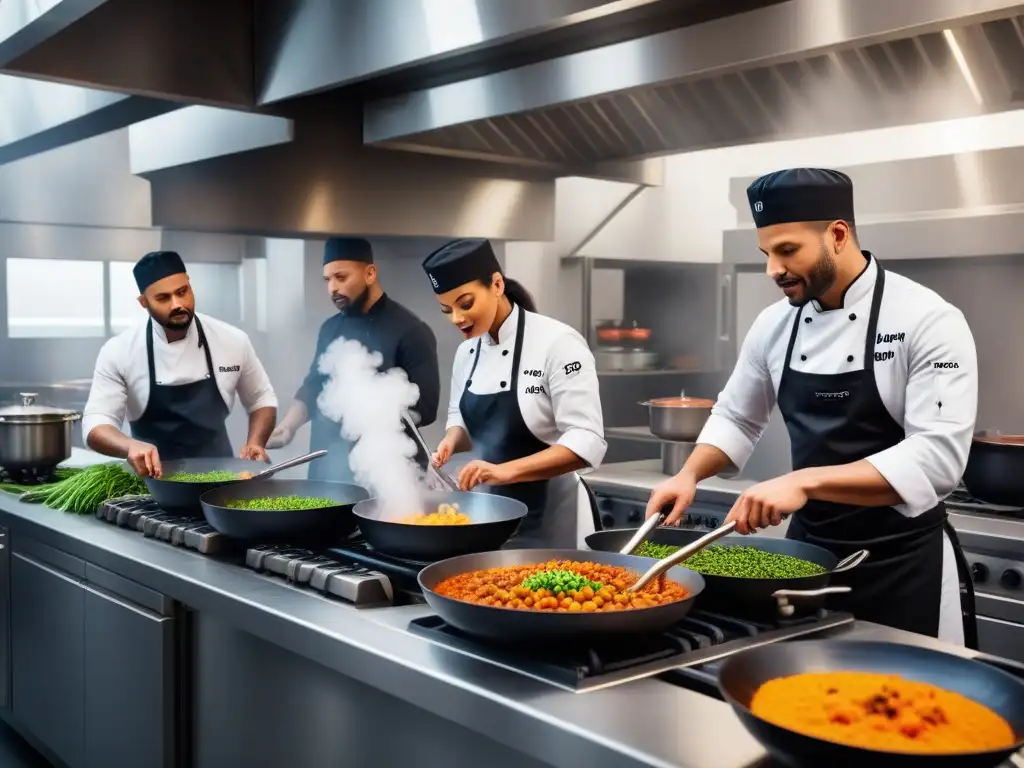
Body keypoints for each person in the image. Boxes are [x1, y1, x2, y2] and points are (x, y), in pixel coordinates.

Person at [645, 168, 978, 645]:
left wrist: (803, 480)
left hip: (904, 566)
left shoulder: (927, 319)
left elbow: (937, 460)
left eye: (787, 251)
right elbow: (737, 415)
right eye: (766, 254)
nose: (772, 270)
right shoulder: (773, 325)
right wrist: (689, 475)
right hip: (806, 560)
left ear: (837, 235)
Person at [423, 239, 606, 548]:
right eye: (447, 309)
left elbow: (586, 440)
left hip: (553, 518)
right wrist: (451, 442)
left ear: (496, 284)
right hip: (489, 517)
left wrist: (505, 472)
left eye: (465, 304)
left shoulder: (558, 343)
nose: (457, 318)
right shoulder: (467, 352)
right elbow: (462, 417)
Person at [84, 250, 278, 477]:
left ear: (190, 286)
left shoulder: (232, 340)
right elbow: (96, 423)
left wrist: (256, 442)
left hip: (220, 480)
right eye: (163, 298)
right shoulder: (120, 351)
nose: (177, 304)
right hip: (150, 484)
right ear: (144, 302)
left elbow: (261, 398)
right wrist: (130, 446)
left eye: (182, 292)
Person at [268, 237, 440, 482]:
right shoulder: (329, 328)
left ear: (370, 274)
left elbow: (426, 409)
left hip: (387, 474)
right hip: (327, 471)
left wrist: (369, 415)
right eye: (328, 280)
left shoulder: (411, 330)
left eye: (341, 277)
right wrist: (288, 427)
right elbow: (315, 386)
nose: (332, 288)